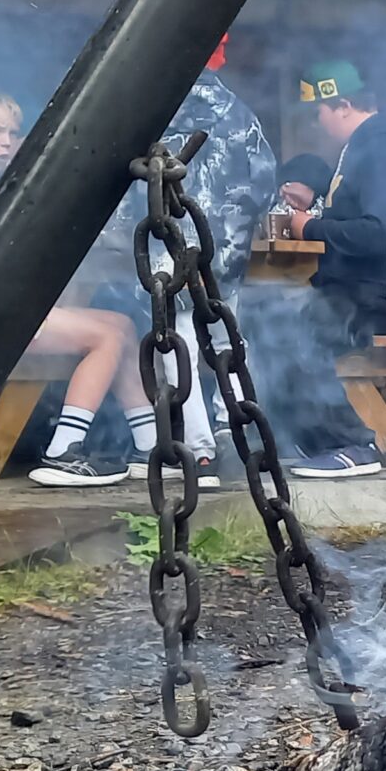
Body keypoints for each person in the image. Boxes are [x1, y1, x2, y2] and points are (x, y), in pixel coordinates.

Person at [0, 88, 147, 488]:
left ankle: (149, 446)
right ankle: (63, 452)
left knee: (121, 326)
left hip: (7, 308)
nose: (7, 140)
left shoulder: (5, 182)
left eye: (13, 131)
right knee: (104, 337)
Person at [88, 41, 280, 489]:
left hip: (166, 246)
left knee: (177, 343)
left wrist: (115, 231)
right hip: (221, 253)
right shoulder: (238, 113)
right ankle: (232, 435)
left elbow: (125, 178)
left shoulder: (154, 110)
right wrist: (234, 219)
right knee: (225, 337)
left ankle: (198, 451)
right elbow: (265, 180)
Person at [255, 60, 386, 478]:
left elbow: (383, 233)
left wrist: (312, 226)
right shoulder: (364, 148)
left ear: (343, 104)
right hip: (368, 288)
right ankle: (310, 439)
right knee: (270, 314)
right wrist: (319, 206)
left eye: (318, 112)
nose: (316, 123)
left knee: (301, 322)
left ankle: (353, 445)